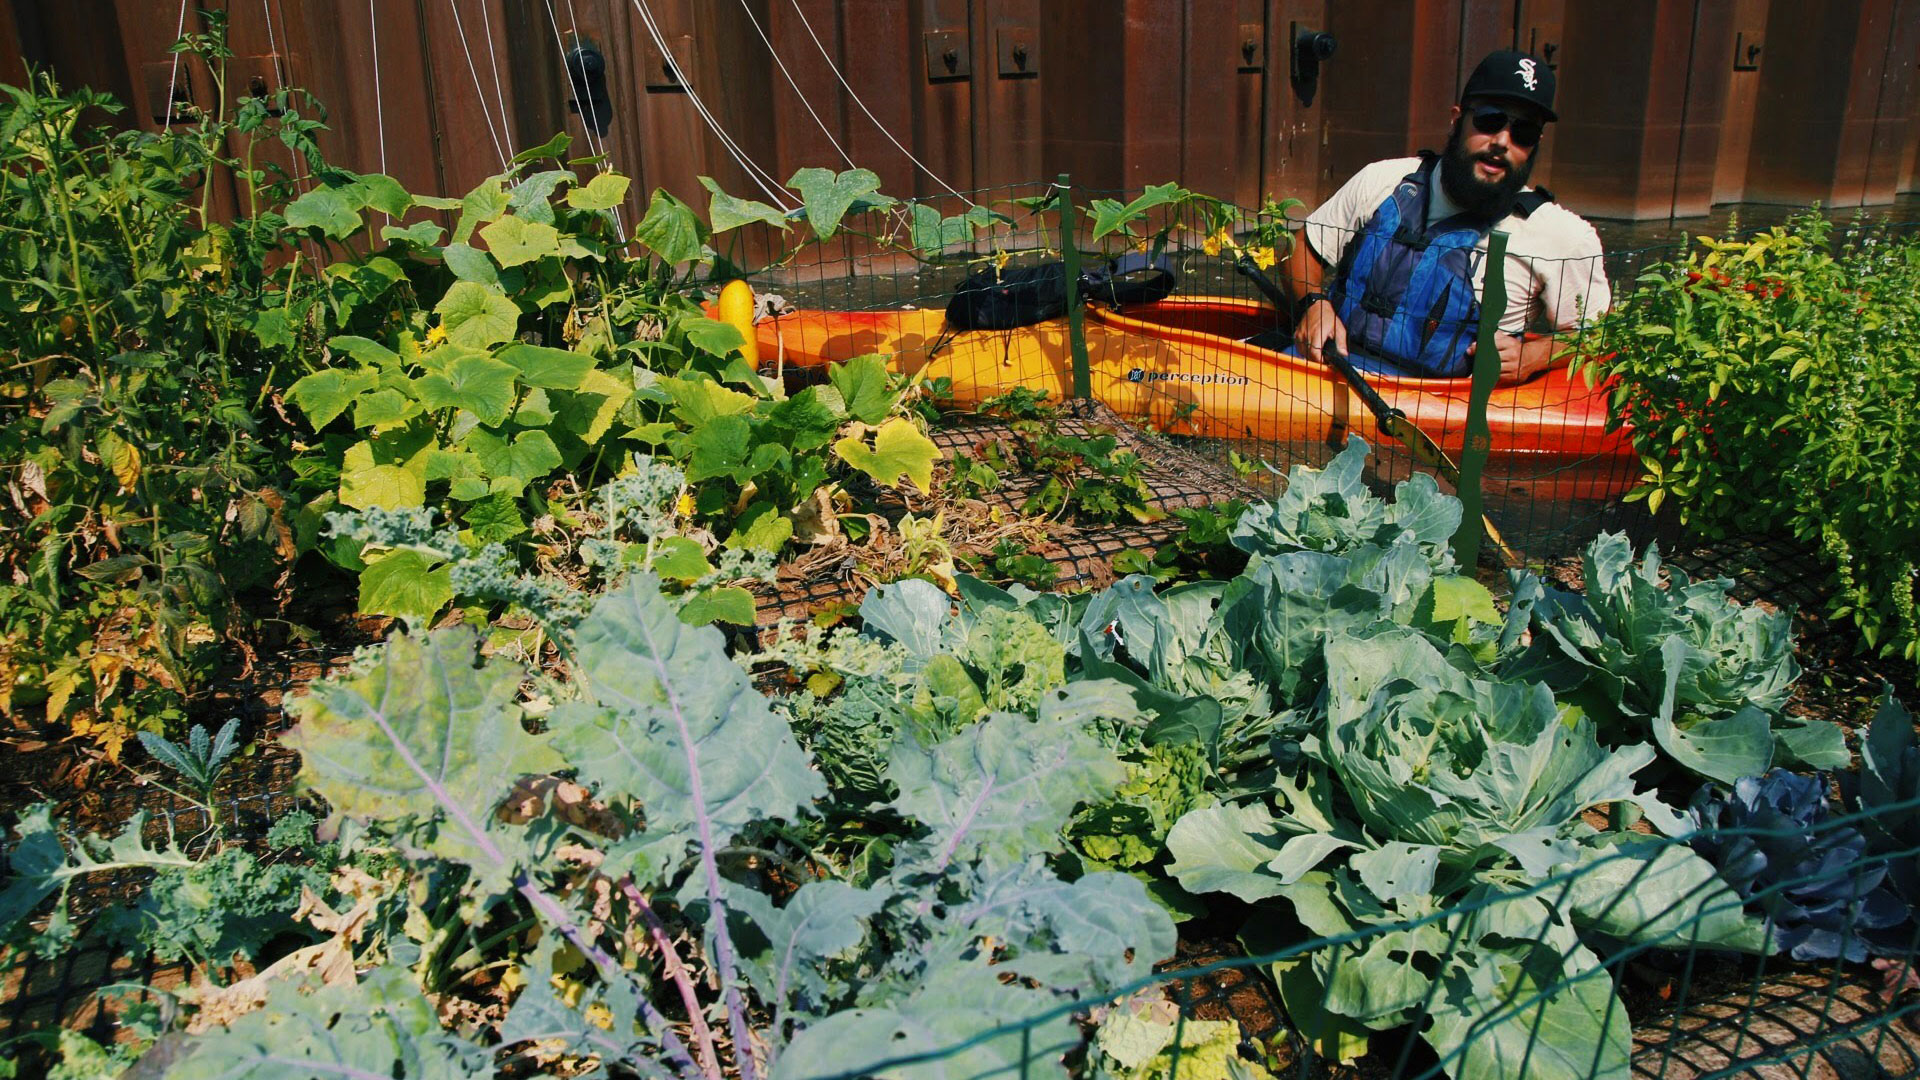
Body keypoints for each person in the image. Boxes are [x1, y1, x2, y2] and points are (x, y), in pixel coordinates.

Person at [1287, 50, 1610, 384]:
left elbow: (1600, 334)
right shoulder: (1383, 179)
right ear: (1457, 119)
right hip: (1323, 368)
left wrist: (1535, 355)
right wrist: (1314, 302)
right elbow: (1304, 245)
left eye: (1523, 132)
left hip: (1440, 404)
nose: (1501, 141)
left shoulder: (1563, 236)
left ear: (1536, 143)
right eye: (1489, 120)